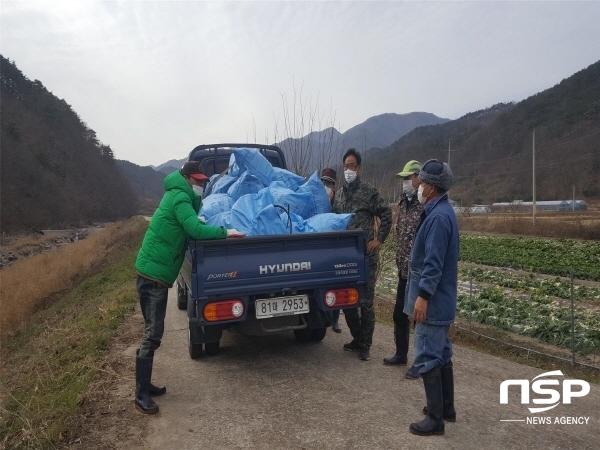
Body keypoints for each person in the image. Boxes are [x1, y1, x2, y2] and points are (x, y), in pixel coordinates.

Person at [134, 161, 244, 414]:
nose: (200, 184)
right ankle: (140, 394)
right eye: (196, 180)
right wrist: (225, 233)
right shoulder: (180, 198)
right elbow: (194, 229)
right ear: (185, 178)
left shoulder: (179, 196)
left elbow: (192, 223)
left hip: (153, 272)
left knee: (153, 331)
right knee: (153, 333)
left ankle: (145, 384)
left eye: (202, 181)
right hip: (153, 275)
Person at [404, 159, 459, 436]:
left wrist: (423, 297)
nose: (419, 187)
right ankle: (446, 408)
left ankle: (435, 420)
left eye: (422, 183)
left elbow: (433, 264)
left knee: (427, 354)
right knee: (442, 353)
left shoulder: (437, 218)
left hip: (434, 301)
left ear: (432, 187)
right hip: (443, 299)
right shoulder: (441, 211)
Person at [333, 149, 392, 361]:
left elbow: (386, 213)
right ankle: (357, 338)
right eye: (346, 166)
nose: (349, 170)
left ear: (359, 168)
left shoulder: (369, 192)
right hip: (345, 258)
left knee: (366, 302)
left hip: (365, 257)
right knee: (347, 302)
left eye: (352, 166)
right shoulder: (339, 195)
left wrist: (379, 239)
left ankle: (366, 344)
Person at [383, 160, 423, 381]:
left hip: (418, 273)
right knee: (399, 314)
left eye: (409, 178)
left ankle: (420, 362)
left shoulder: (425, 206)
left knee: (419, 320)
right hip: (403, 271)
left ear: (419, 179)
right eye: (404, 179)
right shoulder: (403, 204)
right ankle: (400, 353)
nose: (405, 183)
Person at [320, 167, 341, 333]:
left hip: (334, 249)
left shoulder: (338, 201)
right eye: (323, 182)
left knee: (335, 283)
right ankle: (324, 316)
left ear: (334, 186)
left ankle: (335, 320)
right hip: (320, 250)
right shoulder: (315, 199)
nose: (325, 185)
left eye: (329, 183)